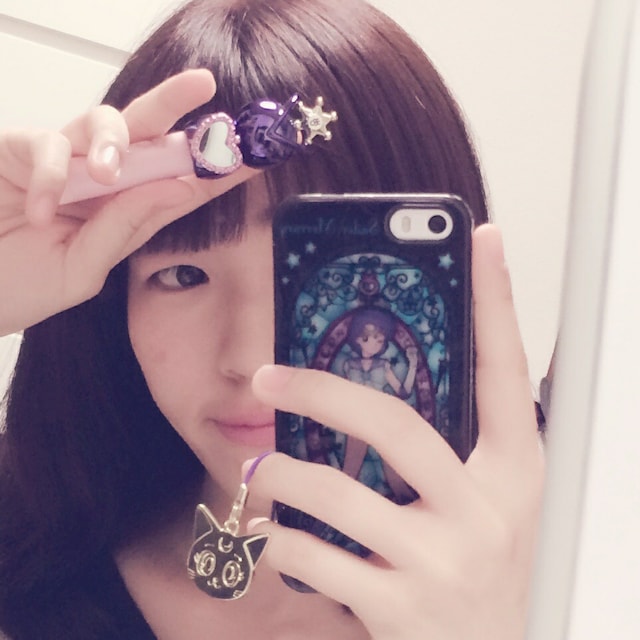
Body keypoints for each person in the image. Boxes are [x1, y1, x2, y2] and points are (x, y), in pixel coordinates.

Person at [0, 0, 544, 638]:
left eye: (327, 280)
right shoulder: (27, 556)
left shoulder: (588, 573)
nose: (252, 361)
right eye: (184, 275)